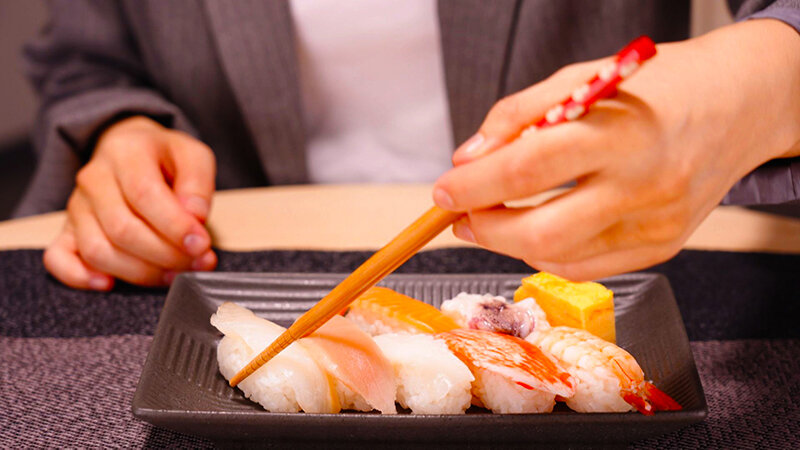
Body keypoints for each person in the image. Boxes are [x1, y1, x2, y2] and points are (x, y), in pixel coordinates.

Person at [16, 0, 800, 290]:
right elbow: (86, 60)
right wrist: (121, 130)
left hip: (612, 269)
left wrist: (752, 86)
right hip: (220, 265)